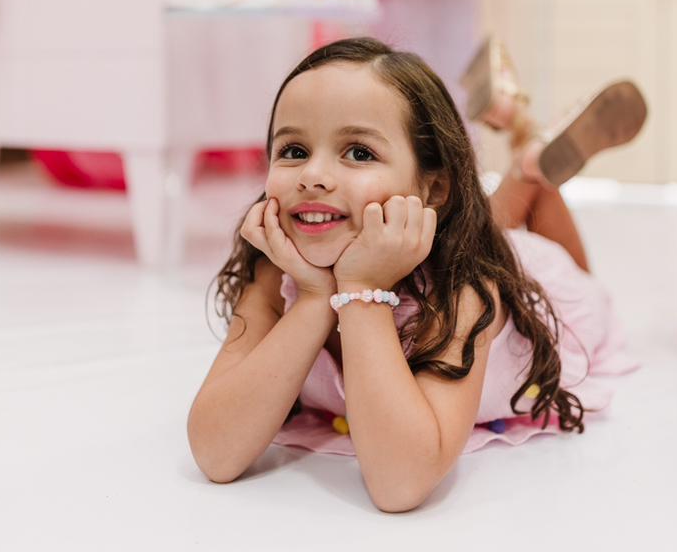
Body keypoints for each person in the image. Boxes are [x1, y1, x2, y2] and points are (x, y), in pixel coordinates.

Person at [187, 37, 644, 512]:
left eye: (359, 153)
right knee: (488, 225)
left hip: (532, 281)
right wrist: (313, 297)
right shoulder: (274, 277)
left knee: (568, 272)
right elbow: (215, 453)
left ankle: (532, 165)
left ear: (434, 186)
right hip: (461, 237)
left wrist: (361, 290)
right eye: (294, 150)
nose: (312, 176)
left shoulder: (465, 291)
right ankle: (526, 150)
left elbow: (399, 483)